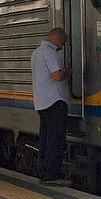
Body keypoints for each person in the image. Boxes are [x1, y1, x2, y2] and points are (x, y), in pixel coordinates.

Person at [30, 27, 73, 186]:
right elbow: (57, 75)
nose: (62, 46)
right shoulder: (50, 53)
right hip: (55, 102)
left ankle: (43, 172)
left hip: (42, 102)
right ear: (57, 38)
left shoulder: (36, 53)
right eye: (62, 42)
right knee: (56, 140)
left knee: (45, 139)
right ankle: (52, 175)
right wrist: (68, 72)